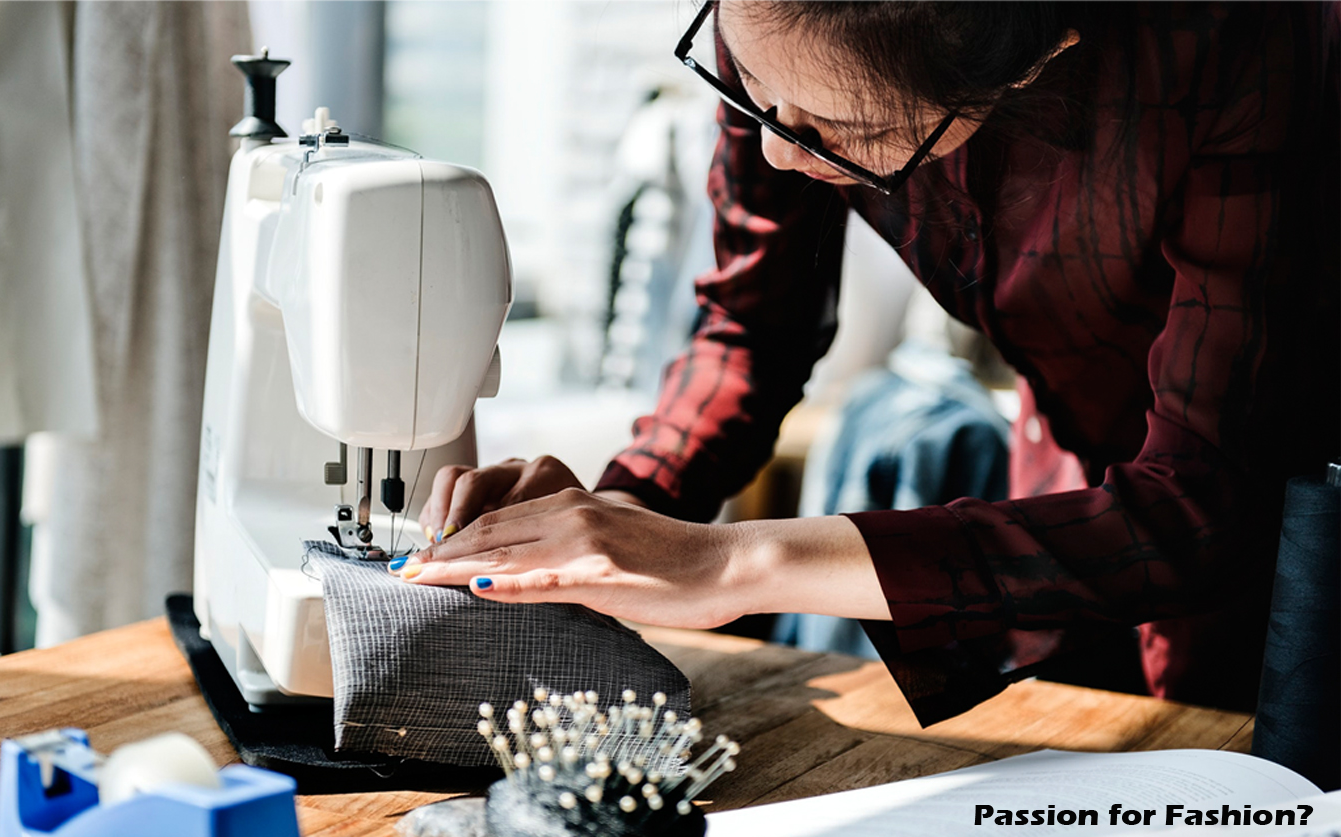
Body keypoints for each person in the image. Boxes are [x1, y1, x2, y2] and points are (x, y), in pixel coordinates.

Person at [400, 1, 1340, 722]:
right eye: (750, 84)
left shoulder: (1245, 47)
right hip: (1068, 471)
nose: (774, 141)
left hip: (1278, 517)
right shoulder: (789, 41)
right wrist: (630, 507)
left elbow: (1200, 507)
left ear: (1041, 59)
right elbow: (752, 324)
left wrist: (736, 563)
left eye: (840, 132)